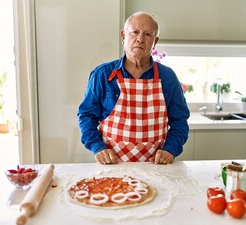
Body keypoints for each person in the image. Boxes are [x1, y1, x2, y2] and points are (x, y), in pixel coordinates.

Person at [77, 12, 190, 165]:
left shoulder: (168, 77)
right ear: (123, 36)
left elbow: (180, 120)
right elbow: (86, 116)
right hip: (112, 165)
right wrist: (98, 147)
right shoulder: (102, 74)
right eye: (135, 32)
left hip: (156, 167)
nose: (140, 39)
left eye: (148, 34)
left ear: (155, 41)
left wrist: (170, 149)